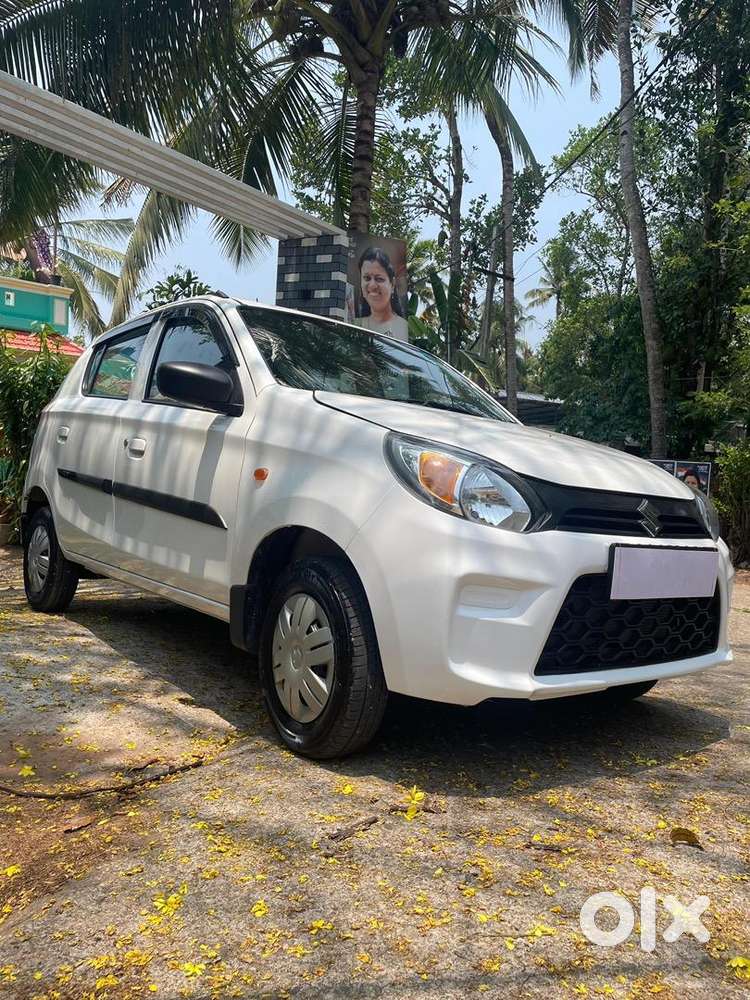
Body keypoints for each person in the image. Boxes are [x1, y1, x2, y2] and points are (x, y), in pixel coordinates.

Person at [356, 247, 409, 341]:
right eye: (367, 278)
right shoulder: (354, 326)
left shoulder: (402, 327)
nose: (372, 285)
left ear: (392, 284)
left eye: (379, 279)